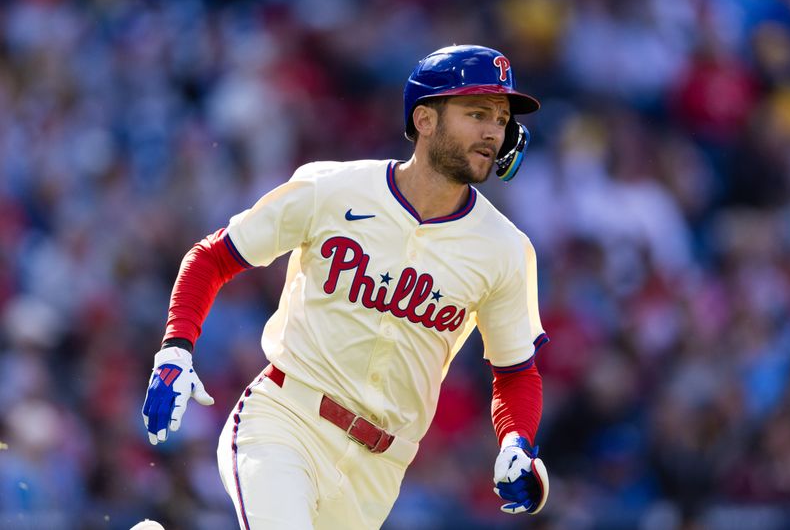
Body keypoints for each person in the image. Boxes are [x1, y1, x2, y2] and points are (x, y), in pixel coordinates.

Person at [142, 44, 550, 530]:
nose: (492, 131)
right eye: (476, 112)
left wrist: (515, 444)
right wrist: (176, 349)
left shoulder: (505, 248)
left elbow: (516, 372)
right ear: (425, 119)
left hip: (380, 468)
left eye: (501, 119)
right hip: (287, 419)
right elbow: (213, 258)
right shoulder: (333, 189)